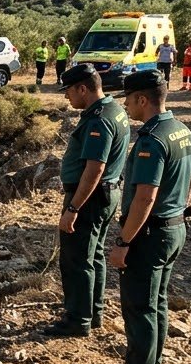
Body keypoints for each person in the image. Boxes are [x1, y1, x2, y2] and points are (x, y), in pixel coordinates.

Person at [97, 69, 191, 364]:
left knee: (139, 307)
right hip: (175, 228)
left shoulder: (152, 140)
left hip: (150, 235)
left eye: (128, 99)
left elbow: (144, 197)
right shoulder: (181, 131)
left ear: (142, 99)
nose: (124, 106)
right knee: (158, 304)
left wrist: (124, 242)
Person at [44, 63, 129, 338]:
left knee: (77, 258)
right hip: (106, 193)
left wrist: (73, 208)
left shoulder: (99, 119)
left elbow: (95, 168)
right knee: (93, 256)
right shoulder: (114, 110)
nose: (66, 96)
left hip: (90, 197)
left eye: (68, 90)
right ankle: (93, 313)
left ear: (83, 88)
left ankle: (77, 319)